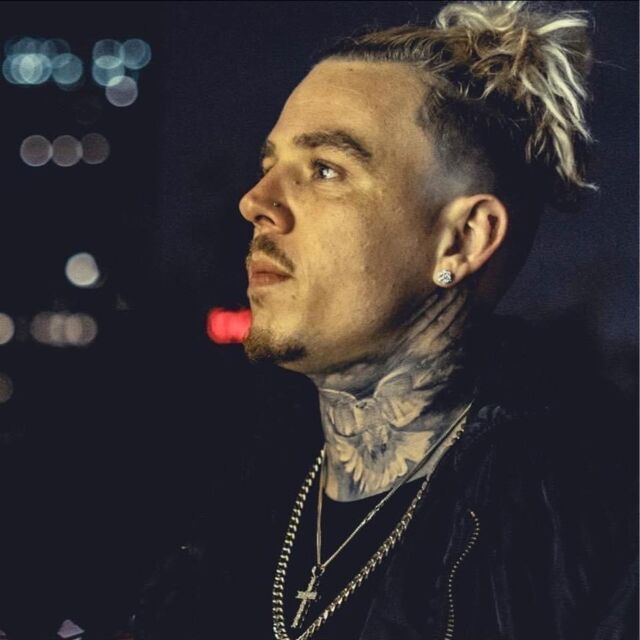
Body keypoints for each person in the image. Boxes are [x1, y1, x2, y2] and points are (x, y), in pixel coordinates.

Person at [135, 2, 637, 639]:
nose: (255, 202)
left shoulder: (593, 528)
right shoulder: (209, 480)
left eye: (325, 169)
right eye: (269, 167)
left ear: (462, 239)